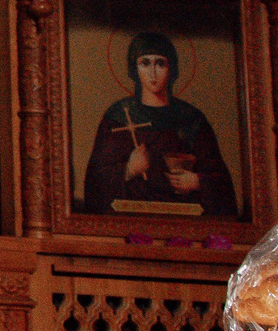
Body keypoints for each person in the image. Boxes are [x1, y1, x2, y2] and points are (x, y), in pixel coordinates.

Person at [79, 31, 239, 218]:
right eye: (145, 63)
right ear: (134, 69)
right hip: (129, 216)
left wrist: (197, 181)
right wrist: (129, 170)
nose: (153, 73)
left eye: (160, 64)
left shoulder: (191, 118)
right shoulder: (118, 115)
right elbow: (95, 183)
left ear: (172, 70)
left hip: (185, 217)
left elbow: (222, 184)